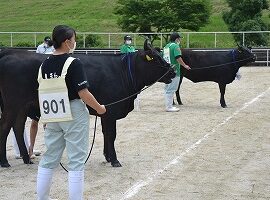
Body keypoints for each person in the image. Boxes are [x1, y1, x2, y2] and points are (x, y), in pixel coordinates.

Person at [36, 25, 106, 200]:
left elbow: (42, 92)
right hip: (73, 111)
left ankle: (42, 197)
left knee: (49, 157)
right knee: (76, 160)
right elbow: (83, 92)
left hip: (52, 112)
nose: (75, 43)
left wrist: (45, 116)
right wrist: (99, 108)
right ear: (67, 42)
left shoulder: (44, 64)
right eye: (74, 40)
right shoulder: (73, 63)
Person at [163, 32, 191, 112]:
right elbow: (178, 57)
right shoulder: (175, 46)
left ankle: (168, 105)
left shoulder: (166, 46)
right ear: (176, 39)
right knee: (172, 89)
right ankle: (169, 107)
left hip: (167, 70)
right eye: (179, 38)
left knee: (167, 88)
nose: (179, 40)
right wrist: (185, 65)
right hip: (174, 70)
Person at [119, 35, 140, 111]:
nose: (129, 41)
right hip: (127, 67)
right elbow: (123, 57)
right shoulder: (124, 47)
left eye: (130, 39)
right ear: (124, 40)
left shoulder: (132, 48)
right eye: (127, 40)